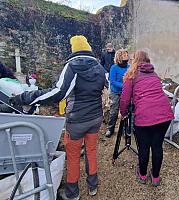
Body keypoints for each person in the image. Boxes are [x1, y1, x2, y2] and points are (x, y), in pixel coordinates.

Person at [9, 35, 106, 199]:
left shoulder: (72, 66)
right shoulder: (99, 67)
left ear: (73, 49)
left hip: (77, 120)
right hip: (96, 117)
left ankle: (72, 193)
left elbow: (58, 93)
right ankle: (92, 186)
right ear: (88, 47)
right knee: (91, 150)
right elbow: (104, 88)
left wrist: (24, 98)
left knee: (74, 156)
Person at [120, 50, 173, 187]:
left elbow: (125, 99)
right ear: (147, 60)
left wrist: (123, 113)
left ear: (134, 60)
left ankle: (142, 175)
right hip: (164, 114)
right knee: (157, 146)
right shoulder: (154, 74)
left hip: (145, 115)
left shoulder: (131, 75)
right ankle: (155, 177)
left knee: (144, 147)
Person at [105, 49, 129, 137]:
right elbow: (113, 81)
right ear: (119, 57)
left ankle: (124, 130)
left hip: (126, 93)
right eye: (124, 55)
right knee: (114, 112)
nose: (127, 57)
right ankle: (110, 129)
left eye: (127, 55)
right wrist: (125, 86)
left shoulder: (129, 67)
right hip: (115, 93)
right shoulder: (114, 68)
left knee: (125, 112)